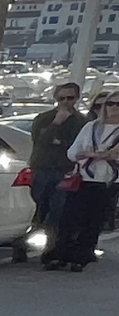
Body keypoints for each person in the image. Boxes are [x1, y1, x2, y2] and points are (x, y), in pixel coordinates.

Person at [46, 93, 119, 270]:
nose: (114, 107)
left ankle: (81, 257)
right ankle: (61, 255)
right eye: (110, 103)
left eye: (118, 104)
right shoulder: (91, 127)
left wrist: (95, 154)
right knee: (69, 218)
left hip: (108, 181)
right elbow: (72, 153)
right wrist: (98, 154)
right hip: (83, 179)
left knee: (93, 221)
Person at [26, 82, 86, 261]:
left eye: (70, 98)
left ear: (77, 98)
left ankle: (50, 251)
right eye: (62, 98)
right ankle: (21, 246)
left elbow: (76, 146)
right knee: (35, 210)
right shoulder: (44, 118)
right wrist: (56, 123)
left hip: (64, 172)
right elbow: (41, 141)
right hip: (41, 169)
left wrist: (59, 142)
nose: (66, 102)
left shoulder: (82, 122)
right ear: (55, 98)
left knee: (57, 213)